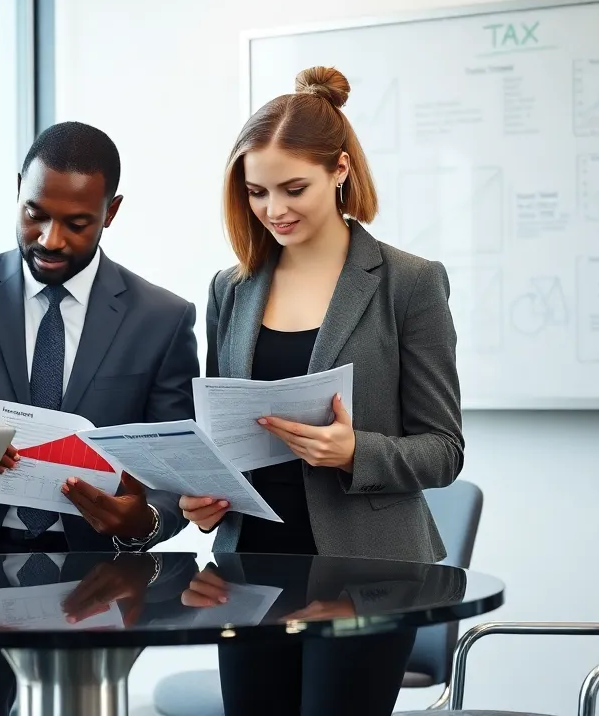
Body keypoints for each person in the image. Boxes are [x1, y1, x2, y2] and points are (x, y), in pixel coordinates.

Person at [180, 65, 464, 715]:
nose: (273, 210)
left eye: (293, 189)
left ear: (340, 171)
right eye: (256, 192)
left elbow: (444, 450)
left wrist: (350, 451)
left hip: (367, 575)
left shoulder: (407, 283)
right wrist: (204, 496)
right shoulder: (232, 288)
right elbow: (219, 427)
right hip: (248, 570)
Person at [0, 121, 200, 716]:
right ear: (18, 189)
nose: (50, 239)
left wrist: (141, 518)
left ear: (111, 211)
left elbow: (176, 472)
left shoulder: (162, 319)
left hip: (98, 579)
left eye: (77, 223)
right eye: (34, 213)